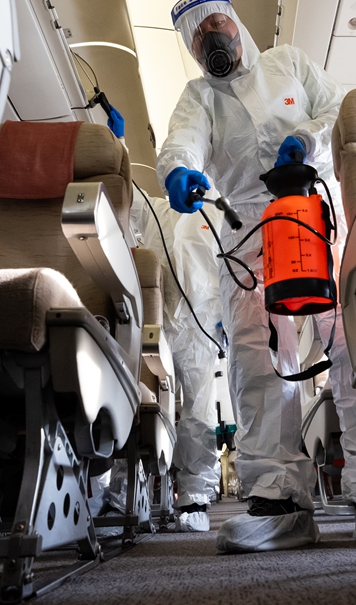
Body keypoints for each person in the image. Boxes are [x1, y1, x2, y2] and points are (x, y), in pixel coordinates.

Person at [156, 0, 356, 553]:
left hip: (318, 219)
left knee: (355, 344)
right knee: (258, 358)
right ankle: (278, 499)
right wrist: (178, 171)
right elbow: (180, 143)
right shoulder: (198, 97)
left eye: (217, 22)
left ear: (237, 23)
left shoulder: (287, 62)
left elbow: (341, 107)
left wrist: (306, 138)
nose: (212, 37)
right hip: (247, 237)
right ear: (194, 50)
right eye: (199, 35)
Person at [129, 187, 224, 532]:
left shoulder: (218, 211)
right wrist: (118, 141)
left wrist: (226, 316)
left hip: (199, 325)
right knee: (141, 400)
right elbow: (118, 189)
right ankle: (121, 491)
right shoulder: (151, 208)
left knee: (198, 409)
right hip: (155, 320)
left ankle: (196, 497)